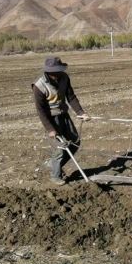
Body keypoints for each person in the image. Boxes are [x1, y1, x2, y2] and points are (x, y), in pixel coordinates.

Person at [32, 57, 90, 185]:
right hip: (52, 119)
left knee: (75, 143)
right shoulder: (39, 86)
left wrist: (81, 112)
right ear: (48, 71)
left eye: (59, 70)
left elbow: (71, 96)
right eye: (54, 72)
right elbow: (40, 110)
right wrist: (50, 129)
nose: (57, 74)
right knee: (59, 150)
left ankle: (54, 165)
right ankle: (55, 176)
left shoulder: (64, 77)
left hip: (64, 115)